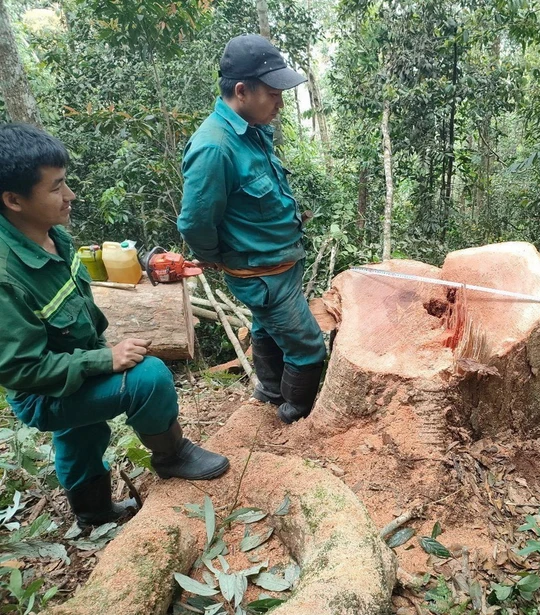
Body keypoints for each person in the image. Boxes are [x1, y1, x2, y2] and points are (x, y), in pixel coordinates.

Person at [0, 124, 229, 528]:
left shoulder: (53, 236)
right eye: (56, 188)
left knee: (81, 432)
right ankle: (172, 456)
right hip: (42, 392)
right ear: (13, 200)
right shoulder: (6, 277)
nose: (69, 196)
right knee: (149, 377)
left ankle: (93, 513)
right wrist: (102, 361)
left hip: (72, 365)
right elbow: (21, 369)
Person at [178, 34, 326, 424]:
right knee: (308, 346)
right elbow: (194, 222)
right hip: (262, 274)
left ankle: (270, 391)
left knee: (264, 326)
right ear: (242, 90)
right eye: (273, 92)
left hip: (277, 266)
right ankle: (295, 417)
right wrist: (214, 257)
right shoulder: (214, 146)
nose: (279, 102)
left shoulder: (252, 128)